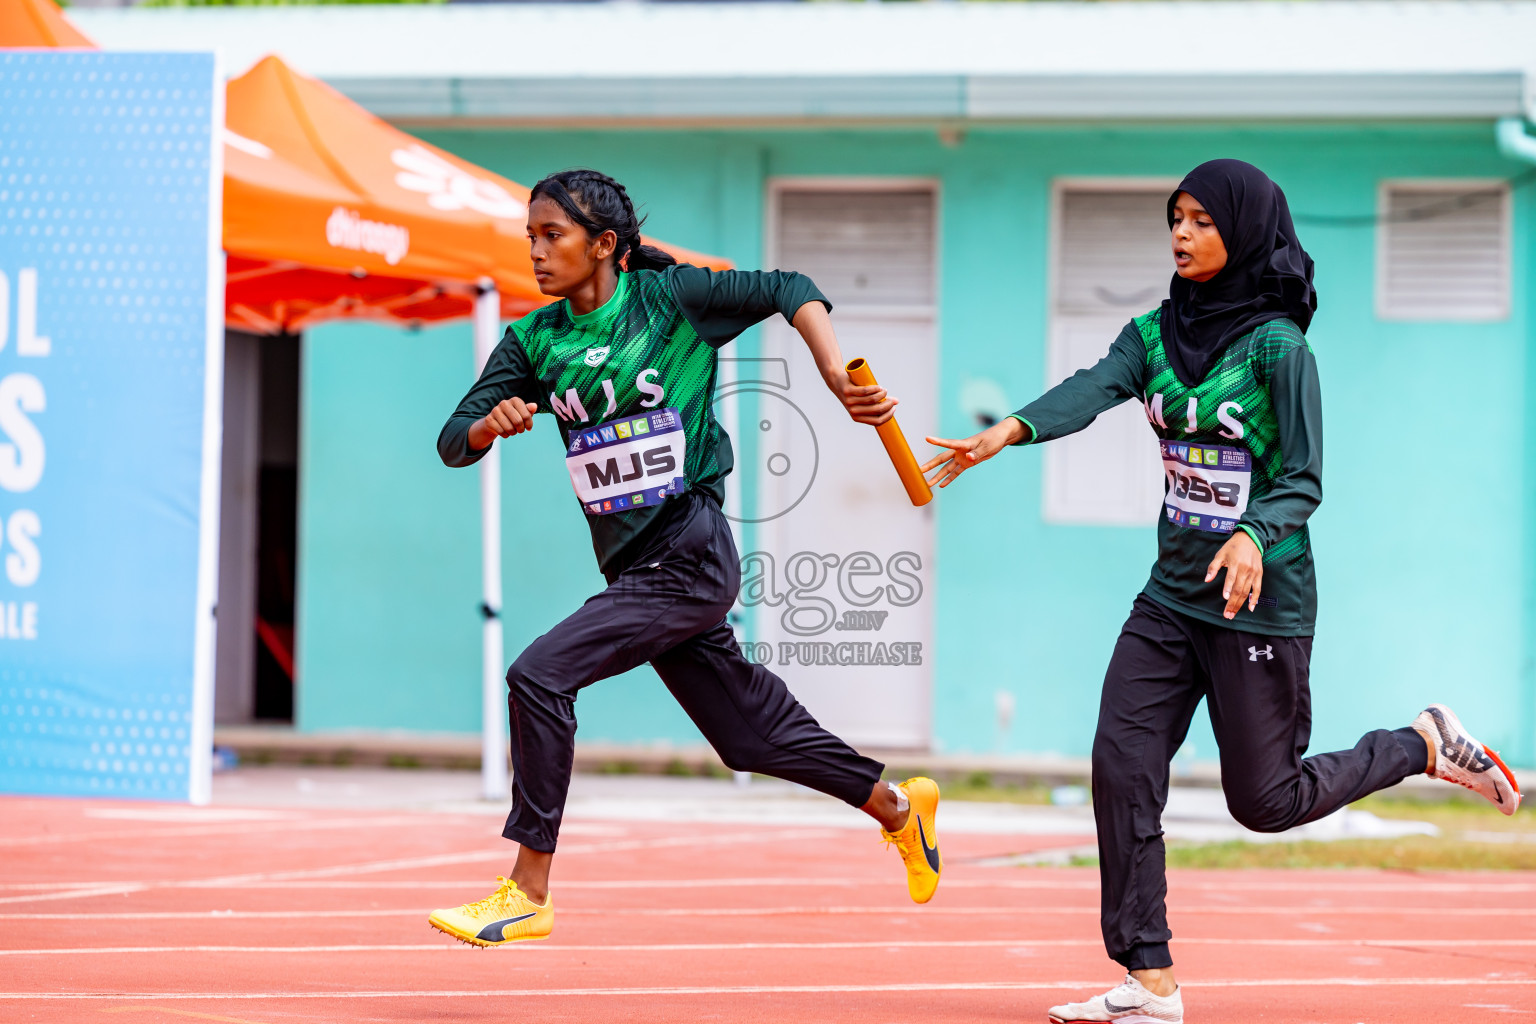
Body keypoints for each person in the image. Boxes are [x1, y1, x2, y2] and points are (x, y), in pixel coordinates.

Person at [920, 159, 1521, 1023]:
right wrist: (1010, 431)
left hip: (1259, 604)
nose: (1182, 233)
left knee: (1266, 802)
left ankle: (1420, 745)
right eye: (1177, 216)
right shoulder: (1154, 334)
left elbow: (1305, 481)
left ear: (1242, 230)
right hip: (1170, 598)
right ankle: (1149, 978)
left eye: (1203, 220)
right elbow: (1095, 388)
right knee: (1121, 766)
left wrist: (1252, 534)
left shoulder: (1280, 347)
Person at [428, 169, 942, 947]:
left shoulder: (672, 305)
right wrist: (486, 425)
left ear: (604, 246)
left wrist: (832, 371)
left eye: (552, 236)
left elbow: (789, 285)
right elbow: (450, 442)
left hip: (690, 554)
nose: (535, 252)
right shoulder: (533, 341)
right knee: (748, 738)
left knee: (539, 674)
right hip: (636, 572)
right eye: (529, 237)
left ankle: (527, 889)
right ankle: (899, 807)